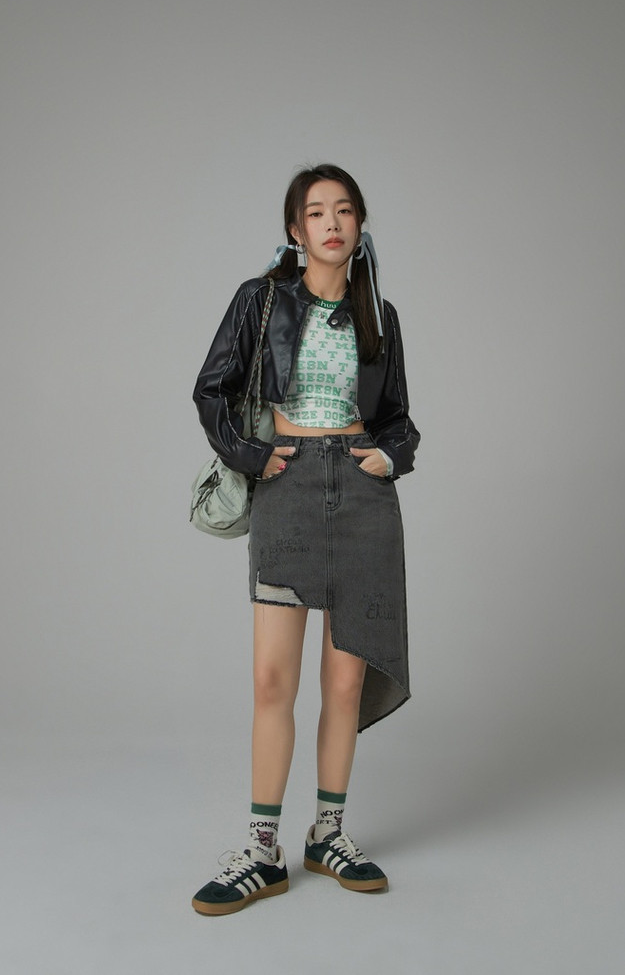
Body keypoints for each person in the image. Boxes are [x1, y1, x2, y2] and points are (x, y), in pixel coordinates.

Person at [191, 164, 419, 915]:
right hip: (288, 489)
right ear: (295, 230)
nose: (331, 223)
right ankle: (263, 850)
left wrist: (392, 456)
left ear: (359, 225)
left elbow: (398, 418)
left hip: (362, 496)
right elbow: (211, 389)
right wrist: (253, 456)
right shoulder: (260, 301)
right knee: (272, 680)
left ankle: (329, 835)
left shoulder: (379, 315)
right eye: (316, 212)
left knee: (345, 684)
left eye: (344, 210)